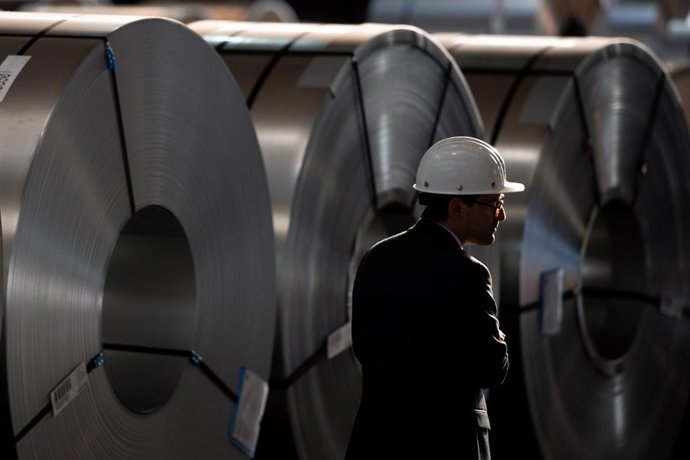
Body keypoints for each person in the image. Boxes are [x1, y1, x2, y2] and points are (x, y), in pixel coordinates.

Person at [345, 136, 524, 460]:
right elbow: (493, 367)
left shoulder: (376, 258)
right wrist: (496, 337)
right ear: (457, 208)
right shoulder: (469, 274)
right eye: (494, 203)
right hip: (449, 445)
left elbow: (363, 347)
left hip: (376, 444)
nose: (501, 215)